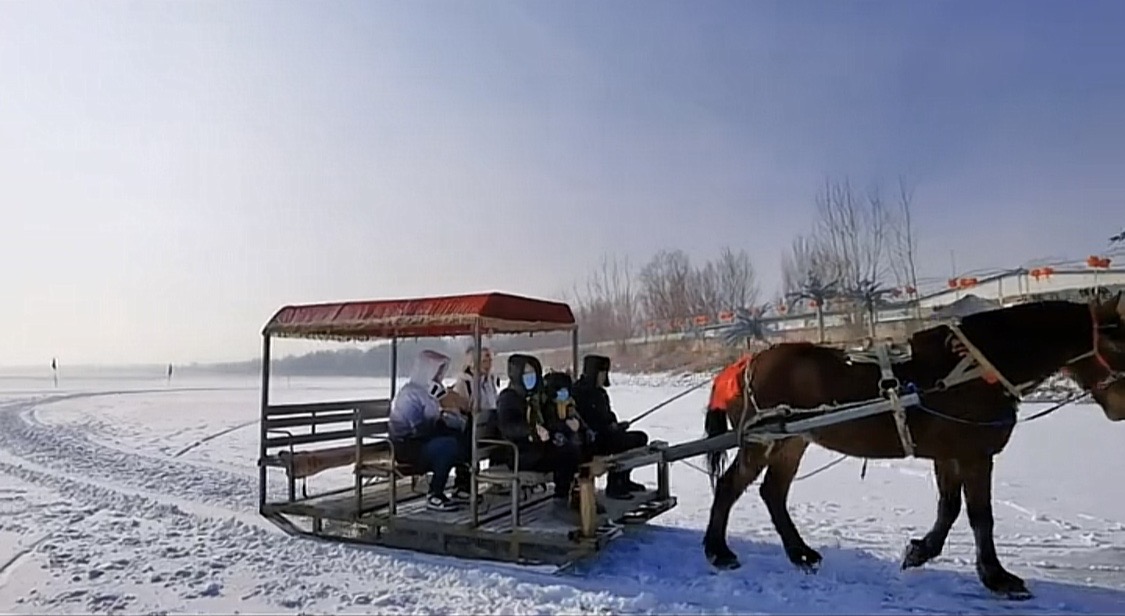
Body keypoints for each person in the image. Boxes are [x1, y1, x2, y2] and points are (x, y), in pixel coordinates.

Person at [495, 354, 586, 508]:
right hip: (519, 452)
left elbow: (548, 422)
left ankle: (573, 492)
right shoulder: (508, 398)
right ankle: (562, 497)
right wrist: (531, 431)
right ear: (516, 375)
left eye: (533, 374)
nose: (531, 378)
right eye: (526, 374)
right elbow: (509, 426)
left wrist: (565, 426)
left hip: (537, 446)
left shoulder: (534, 397)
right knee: (565, 453)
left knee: (574, 448)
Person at [388, 349, 473, 512]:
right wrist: (438, 414)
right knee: (448, 445)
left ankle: (462, 486)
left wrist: (449, 415)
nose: (438, 376)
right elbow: (417, 427)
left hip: (423, 441)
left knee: (462, 437)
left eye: (441, 372)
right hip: (406, 446)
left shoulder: (431, 392)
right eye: (436, 371)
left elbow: (435, 421)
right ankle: (435, 493)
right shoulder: (409, 394)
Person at [572, 354, 649, 499]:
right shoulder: (579, 393)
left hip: (605, 436)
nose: (604, 377)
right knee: (627, 443)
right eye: (602, 374)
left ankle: (623, 480)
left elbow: (607, 416)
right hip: (591, 441)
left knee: (640, 438)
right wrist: (609, 429)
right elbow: (587, 422)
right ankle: (615, 485)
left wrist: (617, 425)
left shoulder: (600, 393)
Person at [449, 344, 502, 439]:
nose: (488, 365)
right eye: (484, 361)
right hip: (475, 431)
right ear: (473, 363)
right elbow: (462, 410)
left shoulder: (491, 380)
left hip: (492, 426)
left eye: (490, 361)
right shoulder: (464, 383)